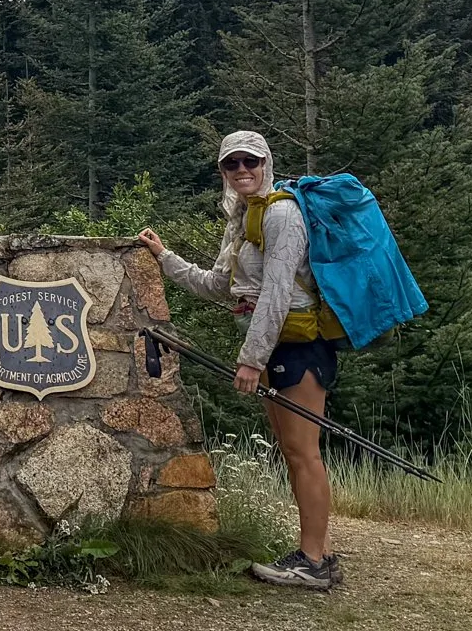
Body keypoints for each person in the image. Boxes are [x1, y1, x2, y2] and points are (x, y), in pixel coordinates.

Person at [136, 129, 343, 591]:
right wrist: (164, 257)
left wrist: (251, 359)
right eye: (232, 164)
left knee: (303, 452)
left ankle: (313, 561)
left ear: (267, 163)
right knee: (294, 451)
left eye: (251, 161)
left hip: (299, 346)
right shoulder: (244, 218)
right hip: (276, 345)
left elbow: (276, 293)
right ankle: (319, 555)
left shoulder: (282, 214)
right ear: (223, 172)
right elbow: (220, 286)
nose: (242, 170)